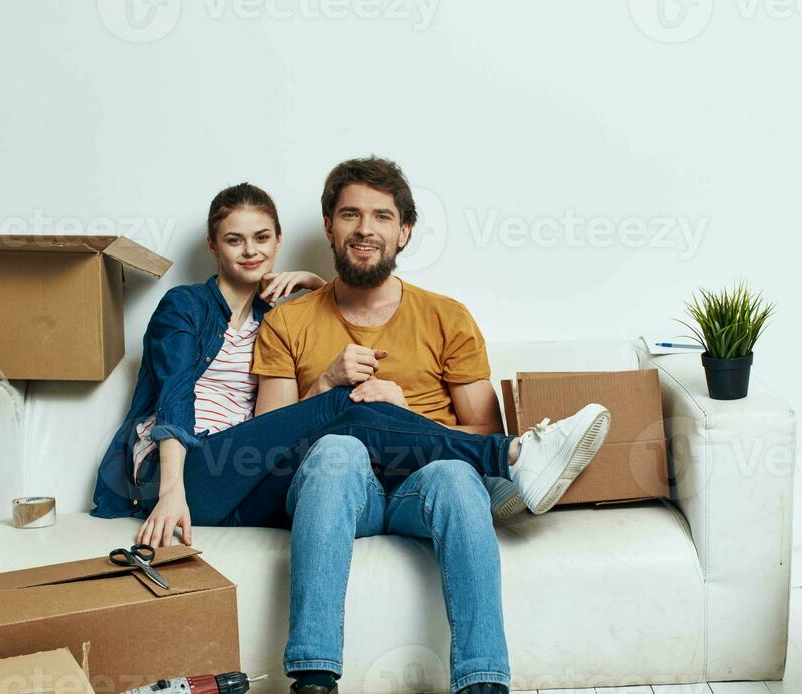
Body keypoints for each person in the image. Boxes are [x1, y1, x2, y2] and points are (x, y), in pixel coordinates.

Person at [253, 157, 591, 694]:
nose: (365, 228)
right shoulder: (289, 322)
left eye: (382, 216)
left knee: (456, 479)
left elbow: (477, 440)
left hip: (419, 492)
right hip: (335, 491)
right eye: (350, 213)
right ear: (329, 224)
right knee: (336, 452)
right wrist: (326, 389)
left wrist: (398, 414)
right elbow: (261, 448)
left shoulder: (445, 317)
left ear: (404, 232)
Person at [92, 181, 610, 550]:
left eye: (262, 238)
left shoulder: (278, 313)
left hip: (245, 476)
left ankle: (490, 471)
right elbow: (177, 396)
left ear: (278, 241)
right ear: (213, 245)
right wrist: (170, 491)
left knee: (341, 442)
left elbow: (317, 340)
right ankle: (514, 455)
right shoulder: (185, 306)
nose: (250, 251)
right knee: (348, 400)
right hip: (191, 469)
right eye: (234, 239)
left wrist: (317, 284)